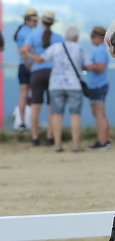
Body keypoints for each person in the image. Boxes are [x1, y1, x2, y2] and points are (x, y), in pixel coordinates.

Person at [26, 25, 90, 152]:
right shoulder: (80, 49)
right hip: (74, 85)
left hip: (56, 84)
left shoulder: (56, 47)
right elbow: (87, 66)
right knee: (75, 115)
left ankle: (57, 144)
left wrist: (27, 54)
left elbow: (40, 59)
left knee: (56, 114)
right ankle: (76, 145)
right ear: (76, 37)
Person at [21, 10, 62, 146]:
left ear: (42, 21)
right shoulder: (58, 38)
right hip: (53, 74)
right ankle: (50, 137)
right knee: (51, 108)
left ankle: (35, 138)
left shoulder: (33, 35)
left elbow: (24, 51)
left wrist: (29, 63)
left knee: (35, 107)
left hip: (37, 73)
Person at [13, 9, 39, 131]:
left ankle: (22, 122)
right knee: (34, 95)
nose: (36, 23)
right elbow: (26, 51)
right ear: (27, 20)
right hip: (30, 65)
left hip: (21, 66)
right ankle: (33, 123)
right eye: (34, 20)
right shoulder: (30, 33)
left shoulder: (20, 31)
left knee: (23, 95)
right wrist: (28, 63)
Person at [86, 26, 111, 150]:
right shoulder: (102, 50)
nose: (91, 39)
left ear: (99, 37)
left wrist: (88, 67)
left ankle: (102, 142)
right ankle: (105, 140)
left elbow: (100, 67)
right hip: (101, 84)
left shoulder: (99, 51)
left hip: (97, 85)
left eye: (93, 36)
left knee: (98, 113)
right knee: (101, 113)